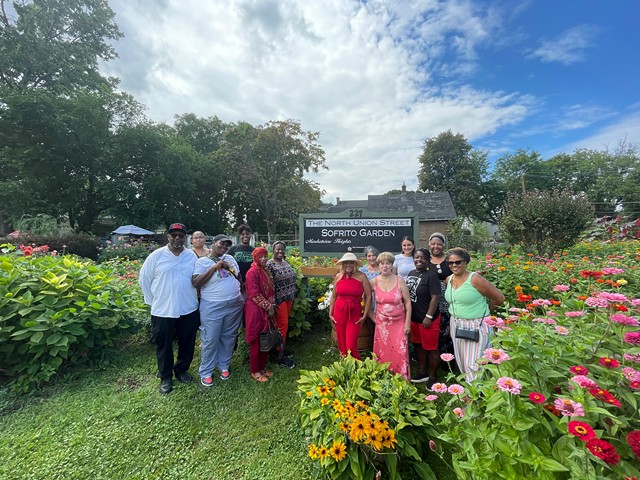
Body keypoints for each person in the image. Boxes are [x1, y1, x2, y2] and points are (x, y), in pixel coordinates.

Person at [139, 222, 200, 394]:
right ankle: (165, 376)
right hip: (163, 310)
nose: (177, 238)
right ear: (168, 237)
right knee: (163, 344)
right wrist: (154, 301)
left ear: (185, 237)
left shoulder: (191, 257)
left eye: (180, 235)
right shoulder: (156, 256)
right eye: (173, 235)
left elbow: (196, 279)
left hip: (188, 308)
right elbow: (144, 280)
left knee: (187, 342)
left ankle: (181, 370)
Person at [444, 247, 505, 383]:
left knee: (475, 363)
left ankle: (472, 399)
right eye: (451, 263)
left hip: (476, 324)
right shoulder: (449, 279)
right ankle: (476, 389)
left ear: (466, 262)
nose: (454, 265)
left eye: (458, 262)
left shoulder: (475, 279)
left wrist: (486, 312)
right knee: (462, 360)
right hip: (457, 324)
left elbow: (499, 297)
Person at [192, 234, 244, 387]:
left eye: (227, 245)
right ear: (213, 243)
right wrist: (214, 268)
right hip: (213, 306)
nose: (224, 247)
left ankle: (224, 365)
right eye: (221, 244)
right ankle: (206, 371)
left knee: (229, 336)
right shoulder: (202, 262)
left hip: (234, 304)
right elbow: (196, 282)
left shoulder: (231, 259)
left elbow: (238, 277)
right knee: (210, 338)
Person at [371, 251, 412, 379]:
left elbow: (408, 303)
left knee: (400, 351)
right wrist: (374, 319)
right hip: (382, 325)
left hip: (399, 323)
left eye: (388, 263)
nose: (385, 266)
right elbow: (364, 301)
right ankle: (383, 378)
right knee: (383, 352)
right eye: (382, 263)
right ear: (378, 265)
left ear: (392, 265)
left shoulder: (399, 281)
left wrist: (407, 323)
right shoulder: (373, 282)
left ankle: (401, 379)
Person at [406, 248, 441, 387]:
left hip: (428, 320)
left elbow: (435, 297)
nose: (419, 260)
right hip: (414, 318)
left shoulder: (431, 275)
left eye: (422, 258)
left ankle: (432, 376)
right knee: (419, 346)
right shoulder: (411, 273)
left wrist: (428, 316)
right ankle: (422, 371)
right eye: (416, 257)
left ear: (428, 260)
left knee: (431, 348)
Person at [329, 252, 372, 360]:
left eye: (351, 263)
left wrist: (365, 315)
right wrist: (330, 313)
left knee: (351, 345)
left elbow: (368, 296)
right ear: (342, 264)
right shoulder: (338, 276)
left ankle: (357, 365)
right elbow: (334, 296)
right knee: (342, 343)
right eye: (346, 263)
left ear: (355, 264)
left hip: (354, 314)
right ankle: (345, 365)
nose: (348, 265)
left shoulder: (362, 276)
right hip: (339, 312)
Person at [244, 247, 276, 382]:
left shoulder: (265, 270)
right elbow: (254, 294)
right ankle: (255, 370)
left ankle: (262, 368)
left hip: (266, 310)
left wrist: (272, 304)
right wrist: (268, 306)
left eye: (265, 256)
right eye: (260, 256)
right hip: (255, 311)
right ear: (255, 257)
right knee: (256, 340)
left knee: (265, 339)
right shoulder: (252, 272)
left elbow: (271, 289)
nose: (263, 259)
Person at [267, 241, 297, 368]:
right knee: (281, 326)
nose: (280, 251)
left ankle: (282, 348)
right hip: (279, 299)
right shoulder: (270, 264)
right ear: (273, 250)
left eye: (282, 249)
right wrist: (271, 303)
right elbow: (269, 285)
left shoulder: (285, 262)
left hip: (289, 297)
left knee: (284, 324)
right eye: (277, 249)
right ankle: (279, 355)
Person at [428, 233, 453, 355]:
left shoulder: (450, 260)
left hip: (447, 299)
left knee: (446, 328)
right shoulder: (425, 260)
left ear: (443, 245)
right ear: (429, 245)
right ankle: (432, 355)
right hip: (430, 299)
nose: (435, 246)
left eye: (439, 244)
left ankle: (447, 356)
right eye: (433, 244)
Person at [359, 245, 381, 322]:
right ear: (366, 257)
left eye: (373, 255)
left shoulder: (382, 269)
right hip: (366, 298)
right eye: (369, 256)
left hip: (378, 298)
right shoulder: (362, 270)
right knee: (368, 321)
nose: (371, 258)